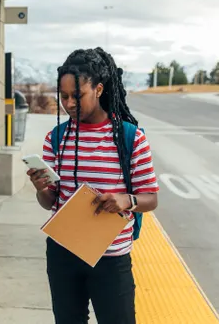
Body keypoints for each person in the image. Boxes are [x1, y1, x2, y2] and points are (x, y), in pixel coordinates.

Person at [26, 47, 159, 324]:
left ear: (98, 89)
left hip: (111, 259)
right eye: (63, 97)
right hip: (63, 254)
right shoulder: (56, 138)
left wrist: (126, 200)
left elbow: (150, 198)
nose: (70, 103)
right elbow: (51, 203)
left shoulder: (130, 138)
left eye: (78, 95)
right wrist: (41, 188)